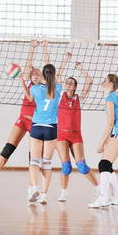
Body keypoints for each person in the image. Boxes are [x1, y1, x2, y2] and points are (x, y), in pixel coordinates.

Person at [0, 40, 42, 184]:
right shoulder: (28, 82)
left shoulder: (43, 89)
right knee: (9, 147)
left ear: (42, 77)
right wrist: (32, 47)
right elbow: (28, 65)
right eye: (33, 74)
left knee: (34, 157)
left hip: (35, 123)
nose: (35, 75)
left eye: (38, 74)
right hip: (22, 120)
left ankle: (33, 187)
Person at [20, 51, 72, 204]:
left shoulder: (35, 89)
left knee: (34, 161)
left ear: (42, 74)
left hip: (37, 126)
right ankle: (44, 195)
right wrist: (65, 60)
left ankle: (34, 187)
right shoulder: (58, 88)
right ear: (54, 75)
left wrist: (22, 82)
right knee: (47, 163)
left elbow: (29, 98)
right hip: (51, 128)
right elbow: (56, 73)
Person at [57, 62, 99, 202]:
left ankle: (99, 189)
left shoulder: (78, 98)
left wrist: (80, 68)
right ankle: (63, 192)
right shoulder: (59, 96)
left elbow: (89, 81)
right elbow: (57, 76)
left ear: (75, 87)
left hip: (75, 135)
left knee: (81, 165)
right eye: (67, 82)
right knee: (66, 166)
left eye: (71, 83)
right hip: (61, 135)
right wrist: (66, 60)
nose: (68, 84)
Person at [88, 74, 118, 208]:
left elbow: (110, 123)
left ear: (111, 84)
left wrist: (101, 143)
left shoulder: (111, 98)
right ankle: (116, 197)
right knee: (108, 165)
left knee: (103, 164)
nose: (102, 81)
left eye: (105, 80)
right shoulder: (114, 97)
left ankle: (103, 198)